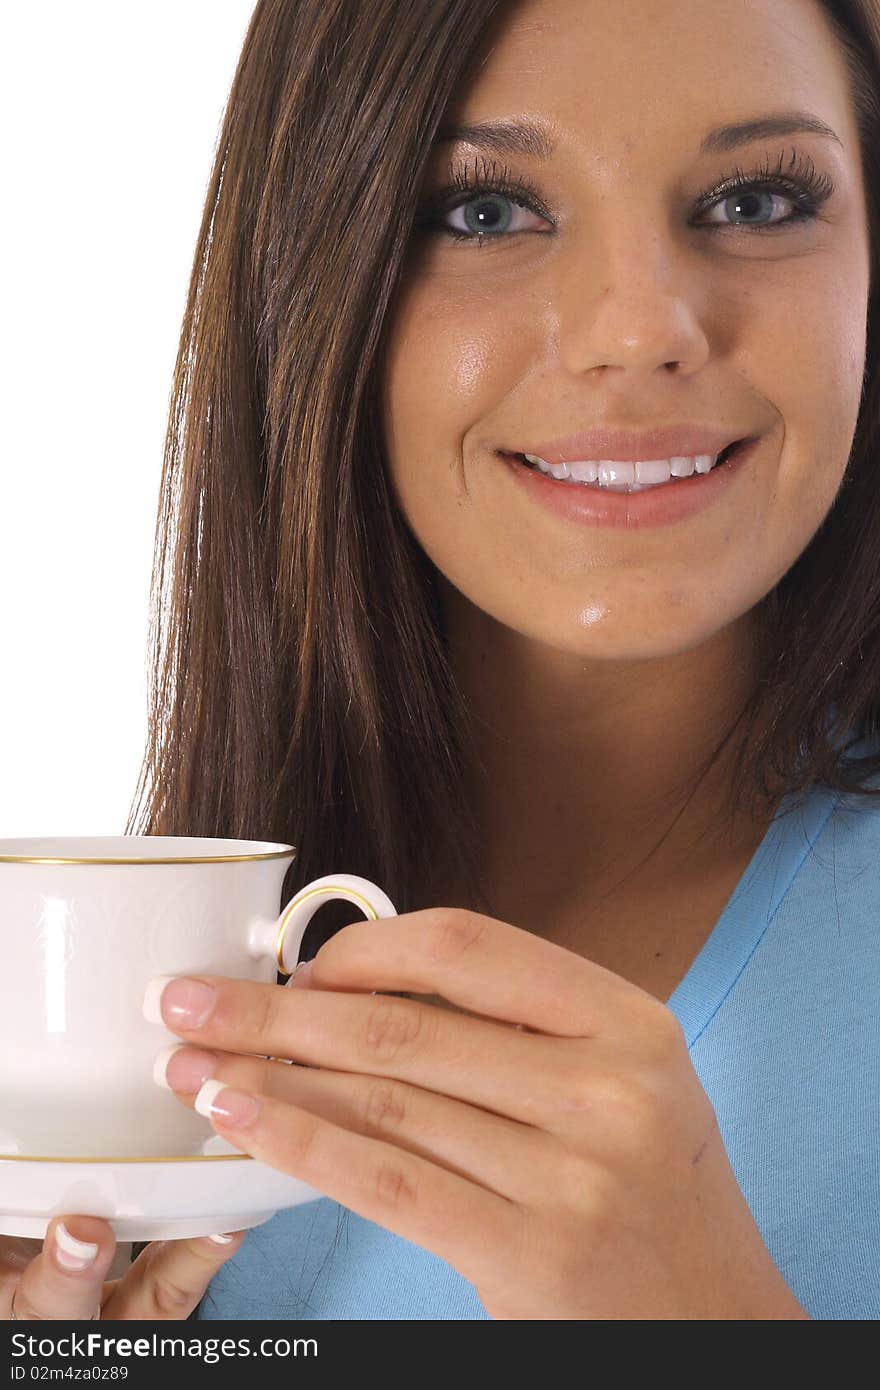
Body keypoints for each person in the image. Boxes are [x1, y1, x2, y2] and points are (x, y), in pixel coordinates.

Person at [4, 0, 880, 1320]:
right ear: (316, 283)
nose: (636, 328)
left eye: (756, 199)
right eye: (484, 212)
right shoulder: (138, 1015)